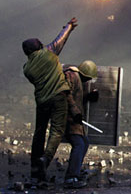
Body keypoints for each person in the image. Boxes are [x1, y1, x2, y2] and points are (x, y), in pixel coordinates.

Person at [22, 17, 78, 181]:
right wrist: (69, 26)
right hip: (58, 97)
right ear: (39, 47)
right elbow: (60, 40)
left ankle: (35, 166)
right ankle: (45, 159)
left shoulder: (27, 69)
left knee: (39, 132)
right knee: (56, 131)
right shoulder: (49, 53)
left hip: (42, 101)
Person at [62, 60, 98, 189]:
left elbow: (76, 96)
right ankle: (71, 178)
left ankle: (75, 171)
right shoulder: (71, 75)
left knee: (84, 142)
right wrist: (75, 112)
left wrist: (88, 97)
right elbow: (67, 95)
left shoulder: (76, 79)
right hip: (67, 118)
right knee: (79, 144)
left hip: (72, 118)